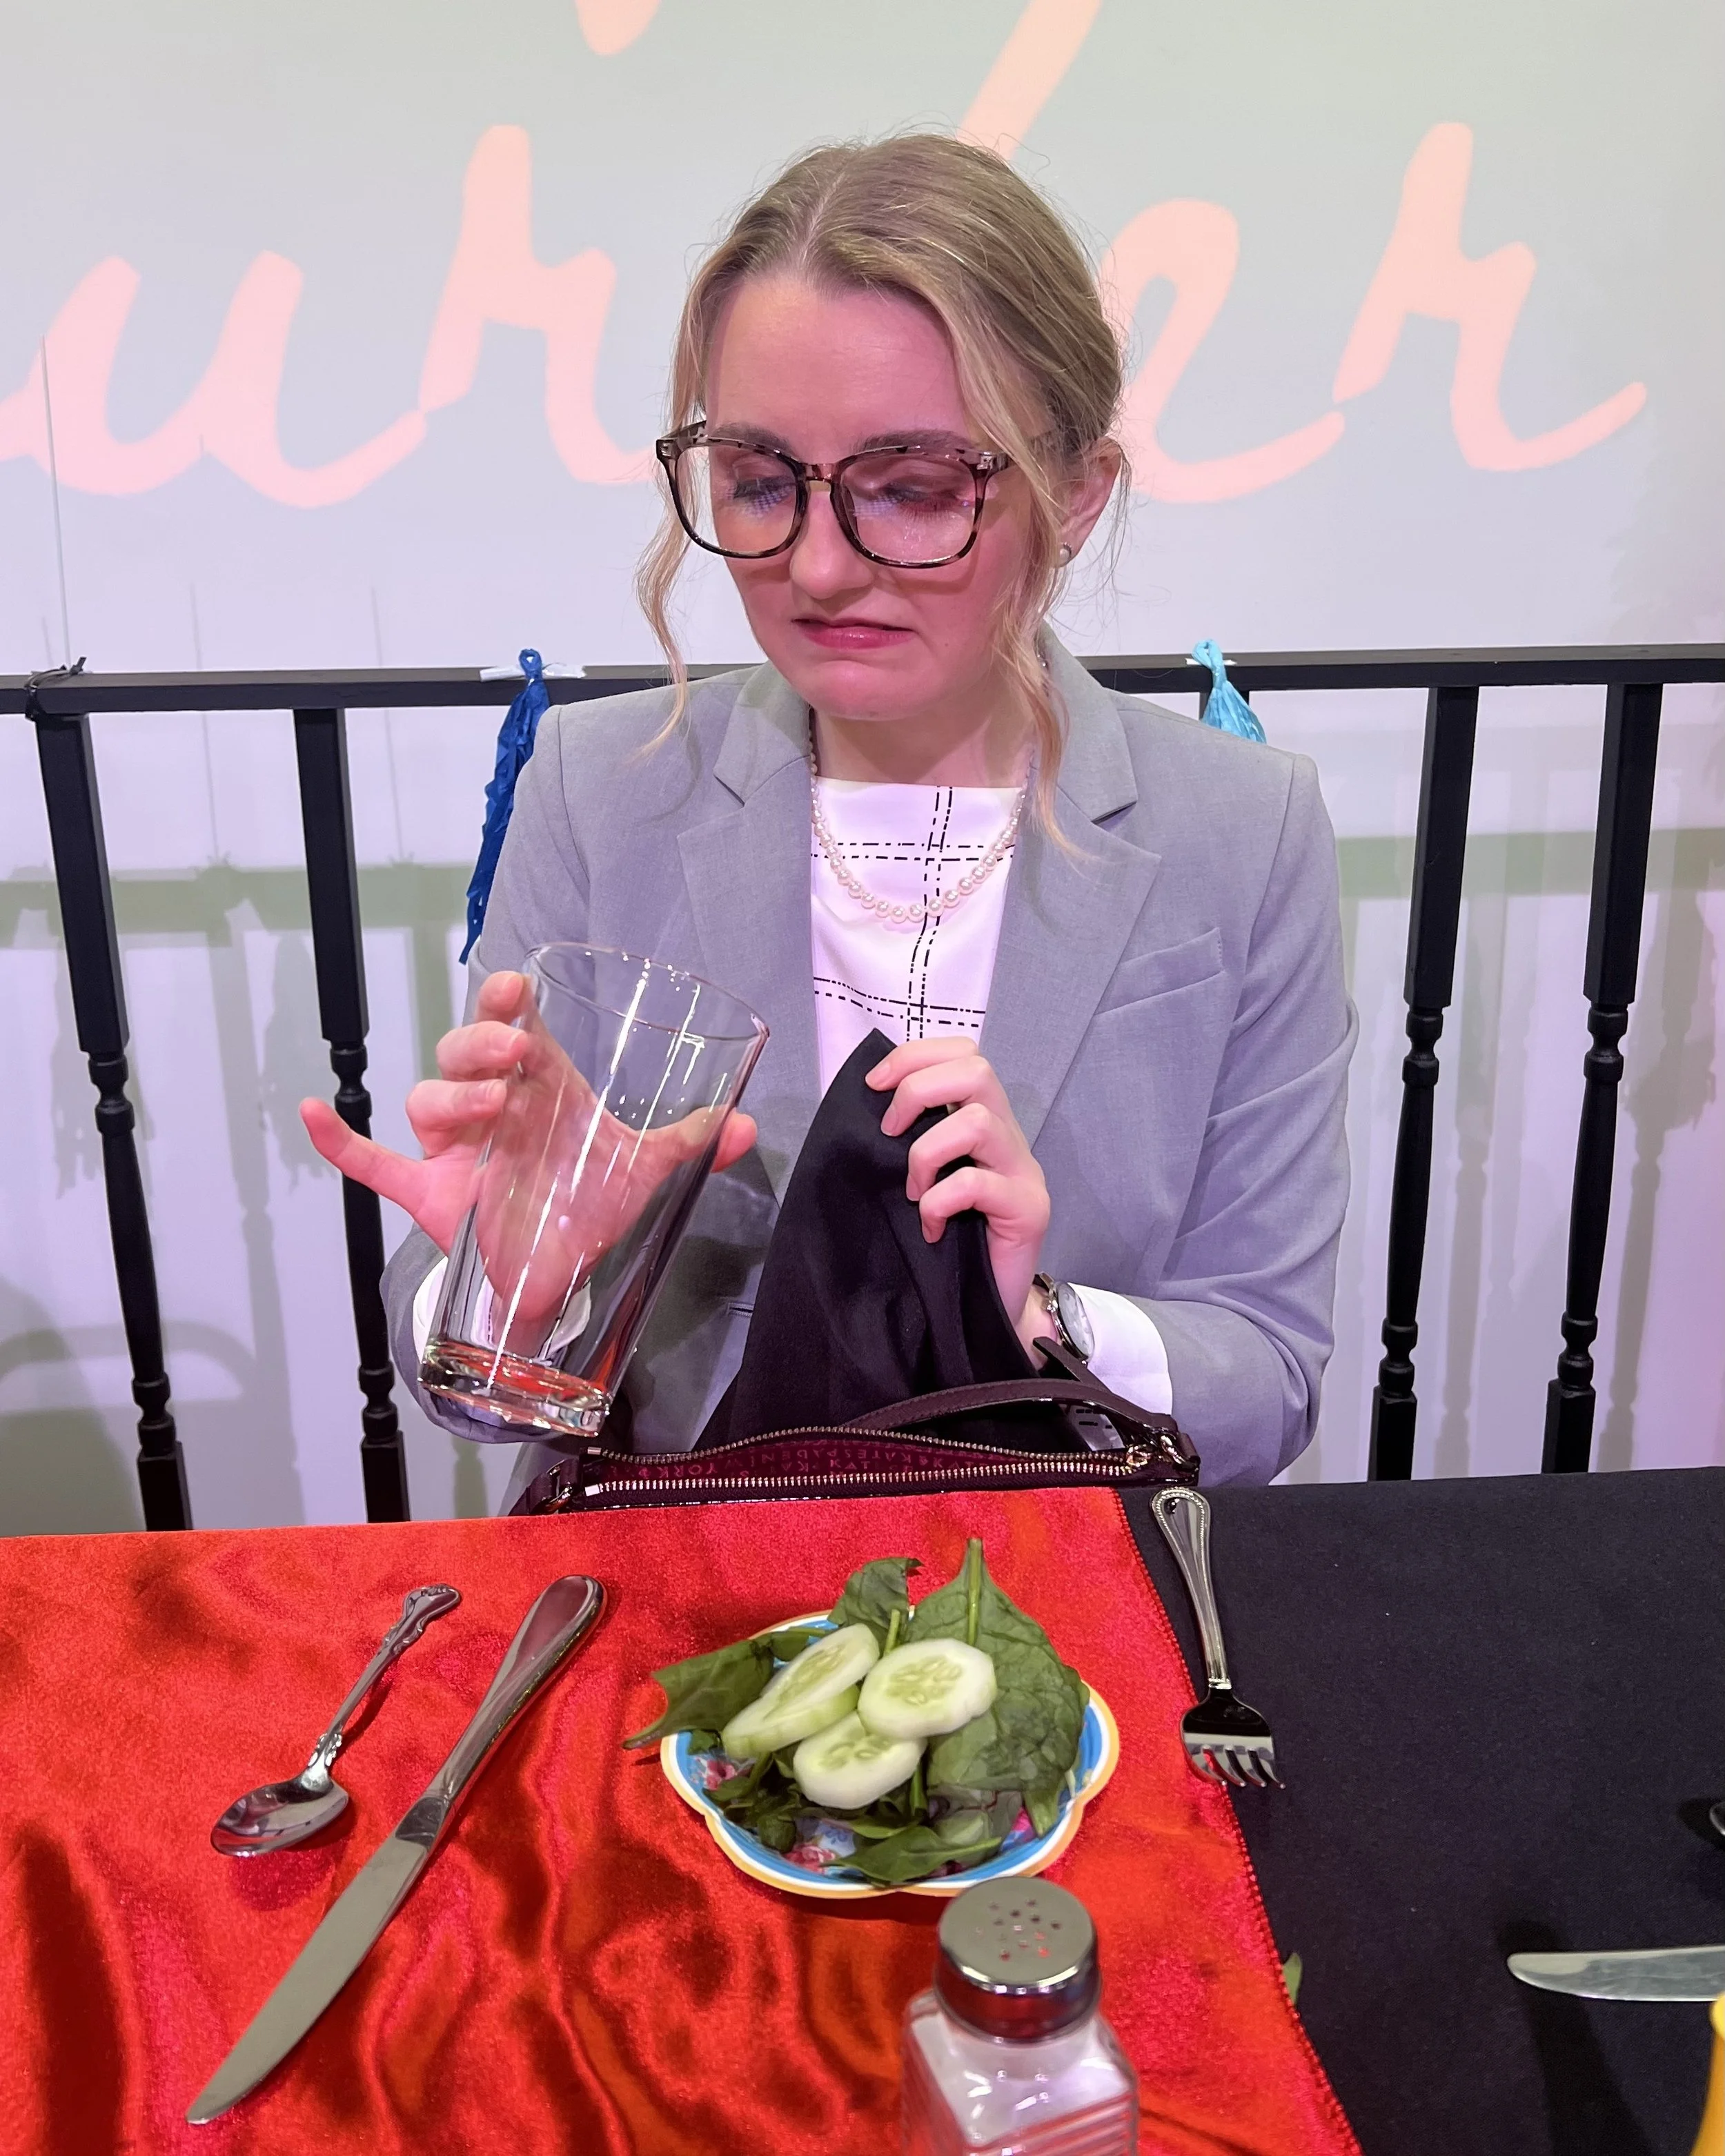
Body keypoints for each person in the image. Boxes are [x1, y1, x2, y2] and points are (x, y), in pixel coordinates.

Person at [302, 132, 1354, 1506]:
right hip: (670, 1581)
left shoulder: (1238, 830)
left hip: (1045, 1603)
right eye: (754, 478)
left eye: (911, 487)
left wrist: (1038, 1315)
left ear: (1078, 493)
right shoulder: (603, 787)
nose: (811, 565)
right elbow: (478, 1379)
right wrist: (524, 1272)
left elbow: (1266, 1376)